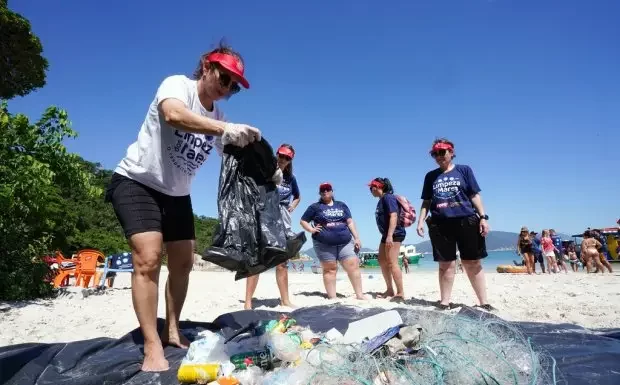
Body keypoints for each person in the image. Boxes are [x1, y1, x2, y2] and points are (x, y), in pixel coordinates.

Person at [105, 43, 269, 372]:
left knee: (182, 264)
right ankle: (152, 345)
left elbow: (239, 156)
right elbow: (173, 115)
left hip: (177, 195)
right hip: (138, 181)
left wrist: (270, 170)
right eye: (224, 79)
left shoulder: (219, 116)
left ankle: (173, 329)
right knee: (148, 259)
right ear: (206, 67)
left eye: (234, 86)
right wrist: (225, 129)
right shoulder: (177, 85)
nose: (227, 88)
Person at [416, 138, 495, 311]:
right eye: (435, 153)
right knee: (445, 264)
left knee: (472, 261)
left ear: (451, 152)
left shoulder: (464, 170)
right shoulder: (430, 176)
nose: (439, 156)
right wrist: (420, 220)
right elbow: (427, 201)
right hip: (440, 223)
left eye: (442, 152)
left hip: (466, 220)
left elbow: (474, 195)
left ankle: (484, 302)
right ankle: (444, 302)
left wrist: (483, 217)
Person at [244, 144, 299, 309]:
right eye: (281, 155)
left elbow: (297, 196)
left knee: (282, 260)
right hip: (264, 214)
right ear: (276, 154)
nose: (283, 159)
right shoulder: (265, 170)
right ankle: (248, 302)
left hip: (283, 217)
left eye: (287, 158)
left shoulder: (291, 179)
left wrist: (292, 207)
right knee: (257, 258)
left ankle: (285, 300)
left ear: (290, 160)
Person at [300, 182, 365, 300]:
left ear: (332, 191)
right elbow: (303, 221)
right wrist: (311, 229)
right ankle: (332, 297)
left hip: (345, 242)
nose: (325, 191)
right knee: (330, 269)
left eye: (328, 189)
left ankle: (360, 295)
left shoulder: (341, 205)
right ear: (320, 193)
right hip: (324, 244)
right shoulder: (315, 207)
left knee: (353, 266)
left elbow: (350, 222)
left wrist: (357, 238)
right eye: (323, 190)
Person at [368, 177, 406, 300]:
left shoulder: (388, 198)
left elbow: (393, 216)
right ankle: (390, 290)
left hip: (394, 234)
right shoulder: (381, 200)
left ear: (379, 186)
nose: (370, 189)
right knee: (382, 260)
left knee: (392, 262)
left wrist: (390, 235)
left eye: (372, 187)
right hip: (386, 234)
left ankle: (400, 293)